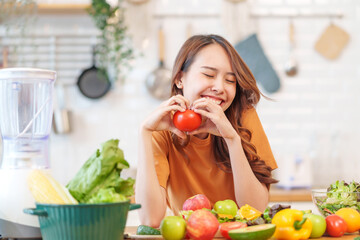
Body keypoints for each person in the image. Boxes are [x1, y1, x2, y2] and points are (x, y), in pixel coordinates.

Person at [135, 34, 278, 227]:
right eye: (209, 75)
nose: (219, 87)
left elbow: (254, 211)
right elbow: (149, 219)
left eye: (230, 80)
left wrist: (232, 139)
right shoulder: (163, 130)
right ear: (179, 79)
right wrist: (145, 133)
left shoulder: (244, 117)